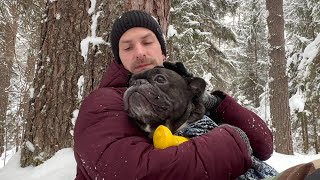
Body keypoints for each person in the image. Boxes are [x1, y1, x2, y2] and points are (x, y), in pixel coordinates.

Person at [73, 10, 273, 180]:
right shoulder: (104, 101)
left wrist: (216, 104)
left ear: (163, 52)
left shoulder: (183, 92)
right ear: (119, 58)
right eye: (128, 47)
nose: (140, 52)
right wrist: (233, 145)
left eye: (147, 42)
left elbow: (263, 146)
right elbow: (128, 171)